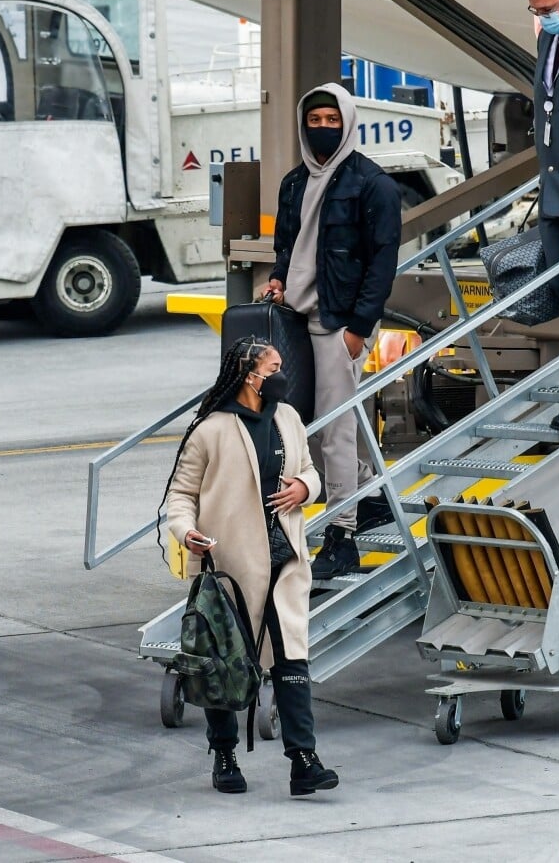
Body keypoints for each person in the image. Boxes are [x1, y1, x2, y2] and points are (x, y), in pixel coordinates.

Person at [163, 336, 339, 797]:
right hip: (230, 569)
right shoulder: (210, 430)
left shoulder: (288, 418)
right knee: (224, 663)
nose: (283, 374)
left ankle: (304, 760)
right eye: (275, 366)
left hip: (285, 560)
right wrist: (186, 533)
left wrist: (305, 486)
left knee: (291, 657)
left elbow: (310, 470)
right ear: (249, 375)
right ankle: (224, 754)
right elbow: (180, 497)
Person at [262, 81, 403, 577]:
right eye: (315, 121)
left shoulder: (372, 184)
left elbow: (383, 261)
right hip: (298, 319)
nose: (323, 129)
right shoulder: (295, 182)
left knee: (334, 432)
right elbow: (287, 244)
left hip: (339, 323)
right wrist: (279, 278)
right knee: (308, 430)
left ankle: (342, 536)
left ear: (348, 123)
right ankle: (368, 498)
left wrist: (358, 328)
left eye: (332, 121)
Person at [527, 0, 559, 432]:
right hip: (556, 194)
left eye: (548, 9)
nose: (544, 17)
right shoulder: (549, 41)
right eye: (536, 11)